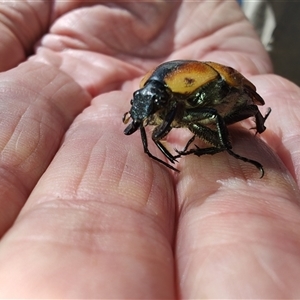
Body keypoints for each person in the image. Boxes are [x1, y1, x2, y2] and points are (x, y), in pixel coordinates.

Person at [0, 1, 300, 298]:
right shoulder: (160, 91)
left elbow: (227, 108)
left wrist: (227, 146)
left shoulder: (203, 84)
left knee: (226, 120)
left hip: (221, 97)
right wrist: (140, 115)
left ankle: (228, 148)